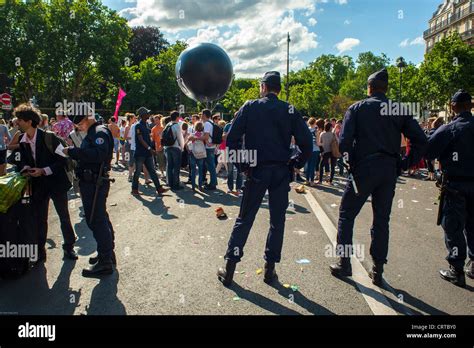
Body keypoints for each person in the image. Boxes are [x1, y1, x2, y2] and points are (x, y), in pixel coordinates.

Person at [329, 68, 427, 286]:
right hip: (388, 168)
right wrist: (404, 164)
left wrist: (351, 163)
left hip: (364, 167)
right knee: (381, 220)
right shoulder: (398, 110)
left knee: (346, 214)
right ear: (386, 88)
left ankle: (345, 263)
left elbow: (345, 142)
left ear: (370, 87)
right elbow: (420, 140)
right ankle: (378, 269)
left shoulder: (357, 108)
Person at [217, 71, 312, 287]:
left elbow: (231, 139)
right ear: (278, 89)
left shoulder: (251, 107)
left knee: (245, 219)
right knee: (277, 222)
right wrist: (295, 163)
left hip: (257, 170)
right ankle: (270, 270)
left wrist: (243, 166)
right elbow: (306, 142)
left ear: (263, 87)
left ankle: (230, 268)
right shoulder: (289, 110)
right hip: (280, 170)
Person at [14, 104, 78, 263]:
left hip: (56, 184)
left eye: (19, 120)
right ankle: (40, 253)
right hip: (38, 185)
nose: (16, 123)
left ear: (29, 121)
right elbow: (19, 160)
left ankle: (69, 246)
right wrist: (26, 168)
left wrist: (44, 170)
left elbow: (64, 159)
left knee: (64, 216)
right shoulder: (22, 140)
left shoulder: (49, 137)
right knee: (39, 218)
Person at [426, 90, 474, 287]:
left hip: (455, 184)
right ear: (470, 106)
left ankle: (456, 269)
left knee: (453, 226)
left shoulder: (450, 128)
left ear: (453, 106)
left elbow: (429, 150)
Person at [63, 111, 116, 277]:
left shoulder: (99, 132)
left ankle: (106, 261)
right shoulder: (94, 132)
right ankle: (106, 253)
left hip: (95, 182)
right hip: (91, 182)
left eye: (80, 124)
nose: (79, 127)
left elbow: (98, 155)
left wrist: (73, 152)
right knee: (100, 218)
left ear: (88, 118)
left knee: (96, 219)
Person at [131, 107, 168, 196]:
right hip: (140, 153)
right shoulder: (138, 125)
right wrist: (150, 149)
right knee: (138, 171)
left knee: (152, 171)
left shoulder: (145, 124)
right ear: (143, 115)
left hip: (147, 153)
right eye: (147, 113)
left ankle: (159, 188)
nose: (149, 115)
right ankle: (134, 189)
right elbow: (140, 139)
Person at [196, 109, 218, 190]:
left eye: (202, 114)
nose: (201, 116)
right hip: (211, 146)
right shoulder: (211, 122)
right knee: (211, 166)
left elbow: (206, 136)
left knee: (211, 166)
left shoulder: (207, 124)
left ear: (204, 115)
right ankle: (213, 183)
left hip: (208, 148)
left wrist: (195, 138)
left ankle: (213, 184)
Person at [163, 111, 184, 190]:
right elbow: (180, 138)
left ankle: (169, 183)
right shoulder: (177, 126)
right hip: (175, 147)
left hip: (167, 147)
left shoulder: (168, 125)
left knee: (169, 166)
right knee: (176, 167)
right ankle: (176, 184)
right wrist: (182, 148)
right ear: (177, 117)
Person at [186, 121, 206, 191]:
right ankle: (200, 186)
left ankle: (193, 186)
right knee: (200, 170)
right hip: (201, 154)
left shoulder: (192, 135)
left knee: (193, 170)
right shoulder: (204, 136)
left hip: (193, 153)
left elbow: (187, 143)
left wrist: (188, 150)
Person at [425, 117, 444, 181]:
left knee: (431, 162)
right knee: (428, 162)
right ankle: (430, 175)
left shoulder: (435, 129)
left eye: (429, 122)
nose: (428, 123)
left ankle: (432, 176)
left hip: (432, 149)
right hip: (429, 148)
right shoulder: (429, 129)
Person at [304, 117, 320, 187]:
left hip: (308, 149)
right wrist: (322, 144)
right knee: (312, 166)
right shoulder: (316, 131)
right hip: (315, 150)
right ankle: (312, 181)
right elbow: (318, 143)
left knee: (308, 166)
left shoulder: (306, 130)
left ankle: (307, 180)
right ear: (315, 123)